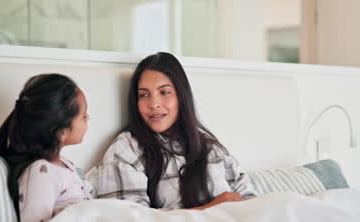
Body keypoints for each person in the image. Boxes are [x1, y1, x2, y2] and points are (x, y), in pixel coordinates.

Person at [97, 52, 256, 210]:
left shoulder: (209, 147)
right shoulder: (126, 149)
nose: (154, 104)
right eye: (144, 95)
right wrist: (212, 208)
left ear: (181, 96)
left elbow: (253, 204)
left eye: (164, 92)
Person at [0, 73, 92, 222]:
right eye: (83, 116)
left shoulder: (66, 165)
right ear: (61, 132)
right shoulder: (41, 173)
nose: (88, 118)